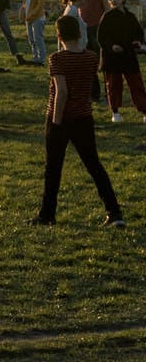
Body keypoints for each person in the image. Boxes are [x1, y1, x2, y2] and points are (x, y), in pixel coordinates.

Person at [31, 15, 124, 227]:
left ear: (58, 35)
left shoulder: (58, 59)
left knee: (53, 167)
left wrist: (55, 121)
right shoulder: (91, 58)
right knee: (94, 165)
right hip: (84, 117)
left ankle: (47, 214)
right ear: (80, 33)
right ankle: (114, 212)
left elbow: (62, 91)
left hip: (61, 117)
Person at [96, 0, 146, 123]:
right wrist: (111, 47)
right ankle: (115, 112)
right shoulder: (107, 16)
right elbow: (101, 37)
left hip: (128, 54)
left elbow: (138, 32)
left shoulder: (130, 16)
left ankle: (144, 109)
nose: (113, 0)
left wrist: (137, 41)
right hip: (112, 57)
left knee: (136, 82)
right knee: (113, 85)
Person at [22, 0, 51, 65]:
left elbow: (40, 3)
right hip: (29, 17)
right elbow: (27, 1)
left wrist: (32, 14)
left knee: (38, 38)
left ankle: (41, 59)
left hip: (37, 17)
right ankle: (35, 57)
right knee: (31, 39)